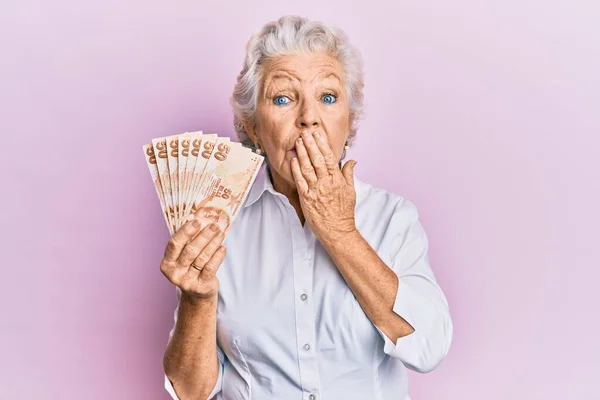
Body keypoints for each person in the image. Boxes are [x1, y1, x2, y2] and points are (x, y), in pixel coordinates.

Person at [160, 15, 453, 400]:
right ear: (252, 127)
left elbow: (429, 348)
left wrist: (340, 232)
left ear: (349, 124)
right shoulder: (217, 222)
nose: (309, 118)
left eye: (328, 98)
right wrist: (197, 299)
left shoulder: (392, 218)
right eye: (283, 98)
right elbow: (189, 392)